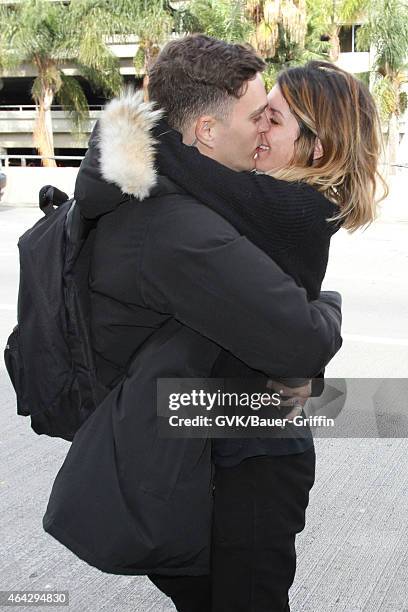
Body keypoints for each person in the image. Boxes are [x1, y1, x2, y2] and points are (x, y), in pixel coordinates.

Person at [42, 36, 344, 612]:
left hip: (209, 441)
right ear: (206, 130)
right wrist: (330, 306)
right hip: (226, 461)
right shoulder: (179, 226)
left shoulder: (178, 196)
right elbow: (298, 343)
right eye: (259, 115)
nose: (261, 130)